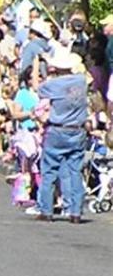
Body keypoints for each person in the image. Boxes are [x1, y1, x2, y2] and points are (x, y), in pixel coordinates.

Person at [35, 47, 90, 223]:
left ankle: (46, 209)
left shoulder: (54, 84)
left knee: (49, 169)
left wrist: (37, 65)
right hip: (78, 129)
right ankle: (75, 211)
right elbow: (89, 76)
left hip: (58, 128)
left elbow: (38, 88)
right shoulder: (81, 81)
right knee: (75, 170)